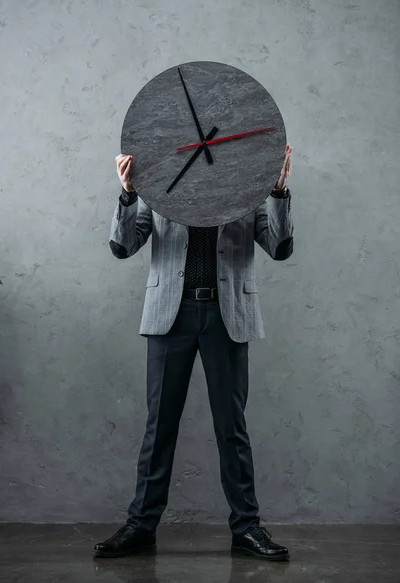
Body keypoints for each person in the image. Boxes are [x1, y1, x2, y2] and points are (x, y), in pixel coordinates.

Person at [93, 144, 294, 561]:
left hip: (227, 316)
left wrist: (277, 192)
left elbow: (279, 247)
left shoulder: (248, 186)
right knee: (159, 427)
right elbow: (122, 246)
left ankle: (247, 528)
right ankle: (141, 526)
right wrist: (128, 193)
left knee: (231, 428)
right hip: (171, 315)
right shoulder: (159, 184)